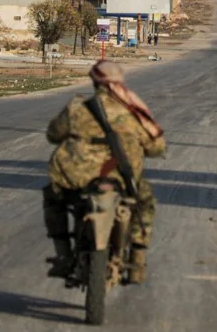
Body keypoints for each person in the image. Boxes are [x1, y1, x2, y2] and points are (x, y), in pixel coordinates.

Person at [43, 59, 166, 284]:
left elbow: (53, 134)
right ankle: (137, 261)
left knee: (53, 197)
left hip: (75, 178)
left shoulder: (77, 108)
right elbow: (156, 147)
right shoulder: (132, 112)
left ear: (94, 82)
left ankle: (63, 253)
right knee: (144, 202)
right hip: (120, 179)